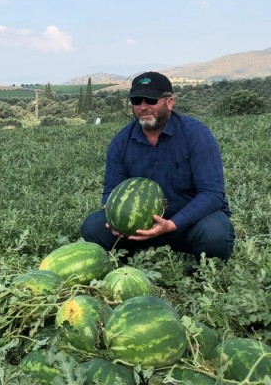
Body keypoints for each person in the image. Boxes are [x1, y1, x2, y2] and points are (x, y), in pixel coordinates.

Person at [80, 71, 235, 262]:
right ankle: (128, 263)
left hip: (188, 224)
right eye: (137, 101)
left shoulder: (196, 135)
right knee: (93, 227)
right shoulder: (121, 142)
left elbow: (212, 194)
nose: (143, 107)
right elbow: (111, 191)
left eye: (151, 100)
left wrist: (172, 224)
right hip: (140, 228)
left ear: (169, 102)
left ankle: (206, 274)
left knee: (215, 232)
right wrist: (114, 218)